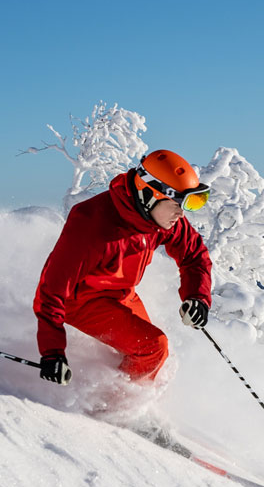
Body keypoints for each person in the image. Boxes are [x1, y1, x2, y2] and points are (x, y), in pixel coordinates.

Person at [33, 149, 213, 388]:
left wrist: (197, 296)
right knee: (152, 347)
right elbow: (51, 290)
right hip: (82, 301)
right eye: (177, 204)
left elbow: (193, 255)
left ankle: (138, 403)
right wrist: (52, 351)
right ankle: (114, 411)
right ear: (149, 194)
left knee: (160, 356)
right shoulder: (92, 223)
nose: (181, 214)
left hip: (122, 295)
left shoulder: (162, 220)